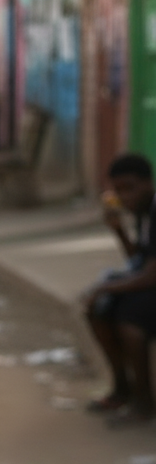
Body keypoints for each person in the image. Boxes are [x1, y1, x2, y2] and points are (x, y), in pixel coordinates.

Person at [84, 153, 156, 425]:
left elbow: (151, 275)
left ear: (147, 183)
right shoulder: (142, 213)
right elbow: (140, 260)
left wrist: (106, 287)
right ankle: (121, 388)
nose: (125, 197)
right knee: (98, 310)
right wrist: (119, 231)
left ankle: (144, 401)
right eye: (119, 191)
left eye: (130, 188)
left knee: (131, 325)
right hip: (150, 282)